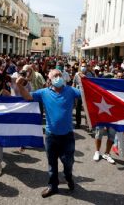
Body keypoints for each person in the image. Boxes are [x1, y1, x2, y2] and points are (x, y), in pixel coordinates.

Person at [16, 69, 81, 198]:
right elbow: (27, 96)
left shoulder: (71, 90)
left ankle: (68, 177)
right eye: (55, 75)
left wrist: (85, 81)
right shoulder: (44, 92)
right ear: (49, 79)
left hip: (67, 136)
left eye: (60, 75)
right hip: (51, 136)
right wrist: (19, 85)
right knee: (52, 163)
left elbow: (86, 94)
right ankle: (53, 186)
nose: (58, 77)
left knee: (68, 162)